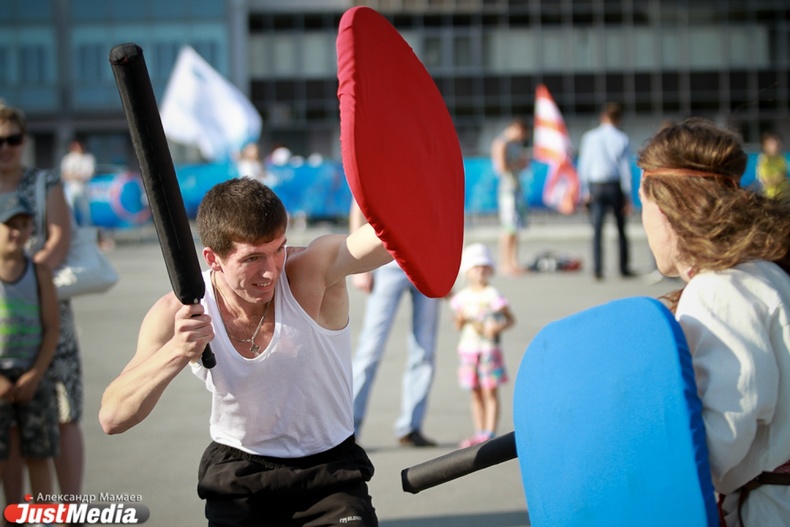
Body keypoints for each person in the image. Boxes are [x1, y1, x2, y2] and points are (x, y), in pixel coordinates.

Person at [99, 178, 392, 526]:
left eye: (278, 249)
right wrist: (177, 351)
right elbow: (113, 418)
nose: (270, 271)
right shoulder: (179, 311)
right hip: (240, 473)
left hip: (329, 472)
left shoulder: (310, 268)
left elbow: (393, 236)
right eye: (252, 258)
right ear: (213, 258)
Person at [636, 117, 790, 526]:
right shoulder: (761, 270)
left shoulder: (719, 289)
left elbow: (719, 446)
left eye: (642, 207)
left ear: (665, 208)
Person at [0, 103, 82, 505]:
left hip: (45, 304)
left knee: (63, 412)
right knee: (8, 429)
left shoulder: (44, 181)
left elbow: (58, 238)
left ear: (24, 141)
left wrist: (27, 276)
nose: (5, 147)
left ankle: (67, 511)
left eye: (12, 139)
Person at [349, 200, 439, 448]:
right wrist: (359, 266)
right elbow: (359, 205)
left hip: (426, 260)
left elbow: (445, 211)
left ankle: (411, 426)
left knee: (425, 349)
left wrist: (447, 264)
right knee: (370, 349)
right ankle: (348, 429)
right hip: (387, 262)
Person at [0, 193, 60, 502]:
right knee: (5, 453)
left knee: (39, 452)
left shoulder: (38, 272)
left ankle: (43, 513)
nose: (18, 232)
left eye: (24, 225)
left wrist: (35, 375)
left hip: (32, 376)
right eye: (10, 224)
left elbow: (51, 328)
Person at [449, 243, 514, 449]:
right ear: (467, 271)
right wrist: (460, 319)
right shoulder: (461, 297)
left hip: (489, 350)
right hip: (468, 351)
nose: (480, 271)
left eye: (485, 267)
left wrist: (497, 327)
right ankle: (479, 433)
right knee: (475, 392)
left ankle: (490, 433)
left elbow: (510, 319)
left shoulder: (493, 295)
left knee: (490, 391)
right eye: (476, 267)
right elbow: (457, 325)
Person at [577, 102, 634, 280]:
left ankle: (598, 269)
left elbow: (584, 166)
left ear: (602, 117)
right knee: (621, 229)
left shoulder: (589, 137)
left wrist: (584, 191)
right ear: (619, 118)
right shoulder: (622, 138)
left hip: (596, 186)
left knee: (597, 230)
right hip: (614, 185)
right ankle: (623, 267)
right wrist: (628, 195)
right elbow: (625, 169)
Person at [490, 119, 529, 276]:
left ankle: (513, 261)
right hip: (507, 189)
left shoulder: (516, 145)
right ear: (516, 128)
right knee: (508, 227)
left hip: (516, 187)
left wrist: (522, 163)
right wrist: (519, 164)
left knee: (515, 227)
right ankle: (505, 263)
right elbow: (502, 167)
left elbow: (521, 165)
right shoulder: (501, 143)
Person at [59, 138, 95, 226]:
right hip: (70, 187)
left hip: (83, 187)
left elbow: (88, 174)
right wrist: (75, 176)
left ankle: (86, 227)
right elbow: (64, 174)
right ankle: (71, 226)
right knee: (70, 208)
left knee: (85, 210)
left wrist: (75, 176)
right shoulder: (68, 159)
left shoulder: (88, 158)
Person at [756, 131, 789, 200]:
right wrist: (778, 178)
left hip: (785, 195)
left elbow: (784, 174)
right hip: (772, 197)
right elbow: (765, 180)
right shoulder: (764, 160)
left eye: (777, 142)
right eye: (772, 143)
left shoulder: (781, 158)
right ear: (765, 146)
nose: (776, 145)